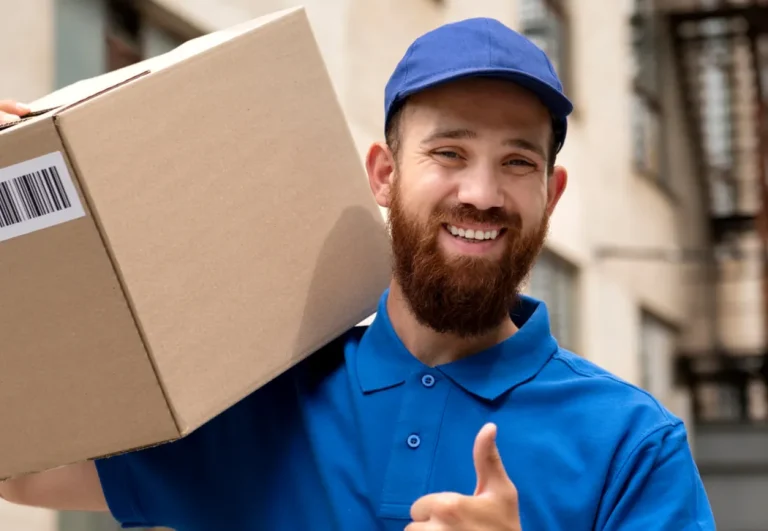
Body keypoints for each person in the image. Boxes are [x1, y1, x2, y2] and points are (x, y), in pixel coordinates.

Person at [0, 17, 715, 531]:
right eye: (449, 152)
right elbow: (24, 466)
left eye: (518, 162)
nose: (481, 192)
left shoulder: (633, 445)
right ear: (383, 173)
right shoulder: (250, 401)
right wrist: (34, 237)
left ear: (550, 196)